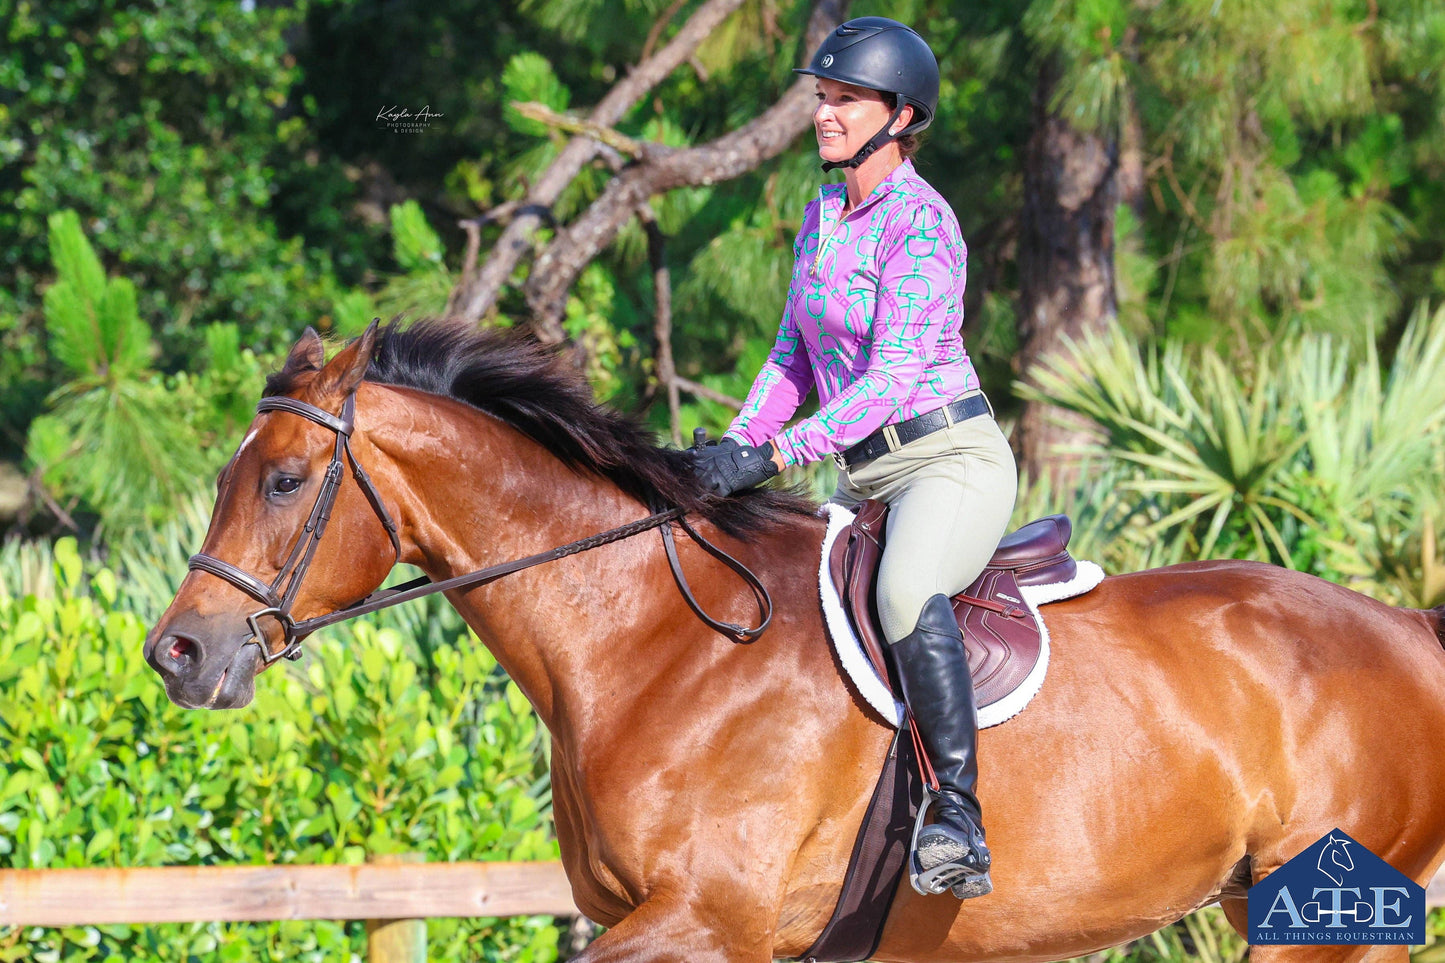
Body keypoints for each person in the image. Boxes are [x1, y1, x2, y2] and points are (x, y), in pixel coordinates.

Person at [690, 16, 1018, 900]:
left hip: (946, 459)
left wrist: (772, 457)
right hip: (863, 475)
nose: (822, 114)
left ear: (900, 116)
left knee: (906, 591)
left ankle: (957, 812)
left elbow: (890, 379)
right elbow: (789, 357)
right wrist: (734, 443)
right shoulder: (823, 213)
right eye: (821, 97)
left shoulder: (923, 225)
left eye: (843, 100)